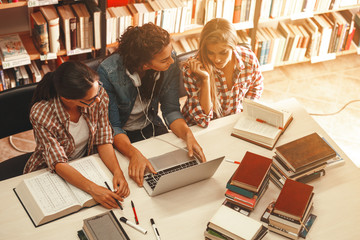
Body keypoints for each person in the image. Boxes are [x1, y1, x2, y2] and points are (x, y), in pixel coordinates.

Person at [97, 23, 206, 187]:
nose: (172, 60)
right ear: (144, 65)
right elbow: (114, 127)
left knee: (178, 174)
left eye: (171, 54)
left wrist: (187, 134)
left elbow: (171, 111)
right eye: (164, 59)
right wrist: (133, 153)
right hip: (122, 137)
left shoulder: (170, 63)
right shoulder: (108, 72)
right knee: (135, 182)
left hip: (151, 126)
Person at [24, 61, 130, 209]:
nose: (98, 99)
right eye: (90, 100)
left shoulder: (98, 95)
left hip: (85, 163)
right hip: (51, 170)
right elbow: (58, 163)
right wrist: (94, 189)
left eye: (98, 89)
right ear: (67, 99)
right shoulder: (42, 113)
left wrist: (117, 172)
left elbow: (103, 139)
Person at [181, 18, 264, 128]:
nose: (217, 59)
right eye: (210, 53)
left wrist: (246, 114)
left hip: (233, 122)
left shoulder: (249, 59)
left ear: (234, 45)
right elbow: (202, 120)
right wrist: (205, 80)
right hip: (198, 127)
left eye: (223, 52)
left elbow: (256, 87)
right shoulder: (192, 69)